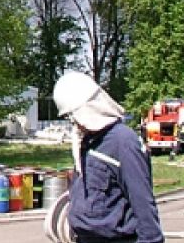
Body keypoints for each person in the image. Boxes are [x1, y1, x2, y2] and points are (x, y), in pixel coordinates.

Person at [53, 71, 164, 243]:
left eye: (74, 117)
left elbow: (143, 203)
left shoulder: (123, 142)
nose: (75, 124)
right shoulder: (88, 142)